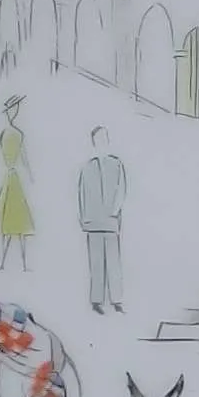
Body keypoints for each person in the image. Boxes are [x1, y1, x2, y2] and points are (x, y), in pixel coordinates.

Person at [76, 128, 126, 314]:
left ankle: (116, 300)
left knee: (113, 262)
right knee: (96, 263)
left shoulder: (116, 164)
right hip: (93, 221)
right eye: (98, 139)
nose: (101, 142)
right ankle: (96, 301)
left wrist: (115, 211)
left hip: (111, 222)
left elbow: (122, 190)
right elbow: (81, 194)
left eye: (103, 138)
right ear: (94, 142)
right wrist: (83, 218)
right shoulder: (87, 167)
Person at [0, 94, 36, 271]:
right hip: (13, 180)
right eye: (15, 108)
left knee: (8, 223)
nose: (16, 111)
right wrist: (31, 176)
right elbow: (24, 159)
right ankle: (20, 264)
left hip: (9, 179)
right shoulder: (17, 134)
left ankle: (5, 263)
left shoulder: (4, 134)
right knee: (19, 224)